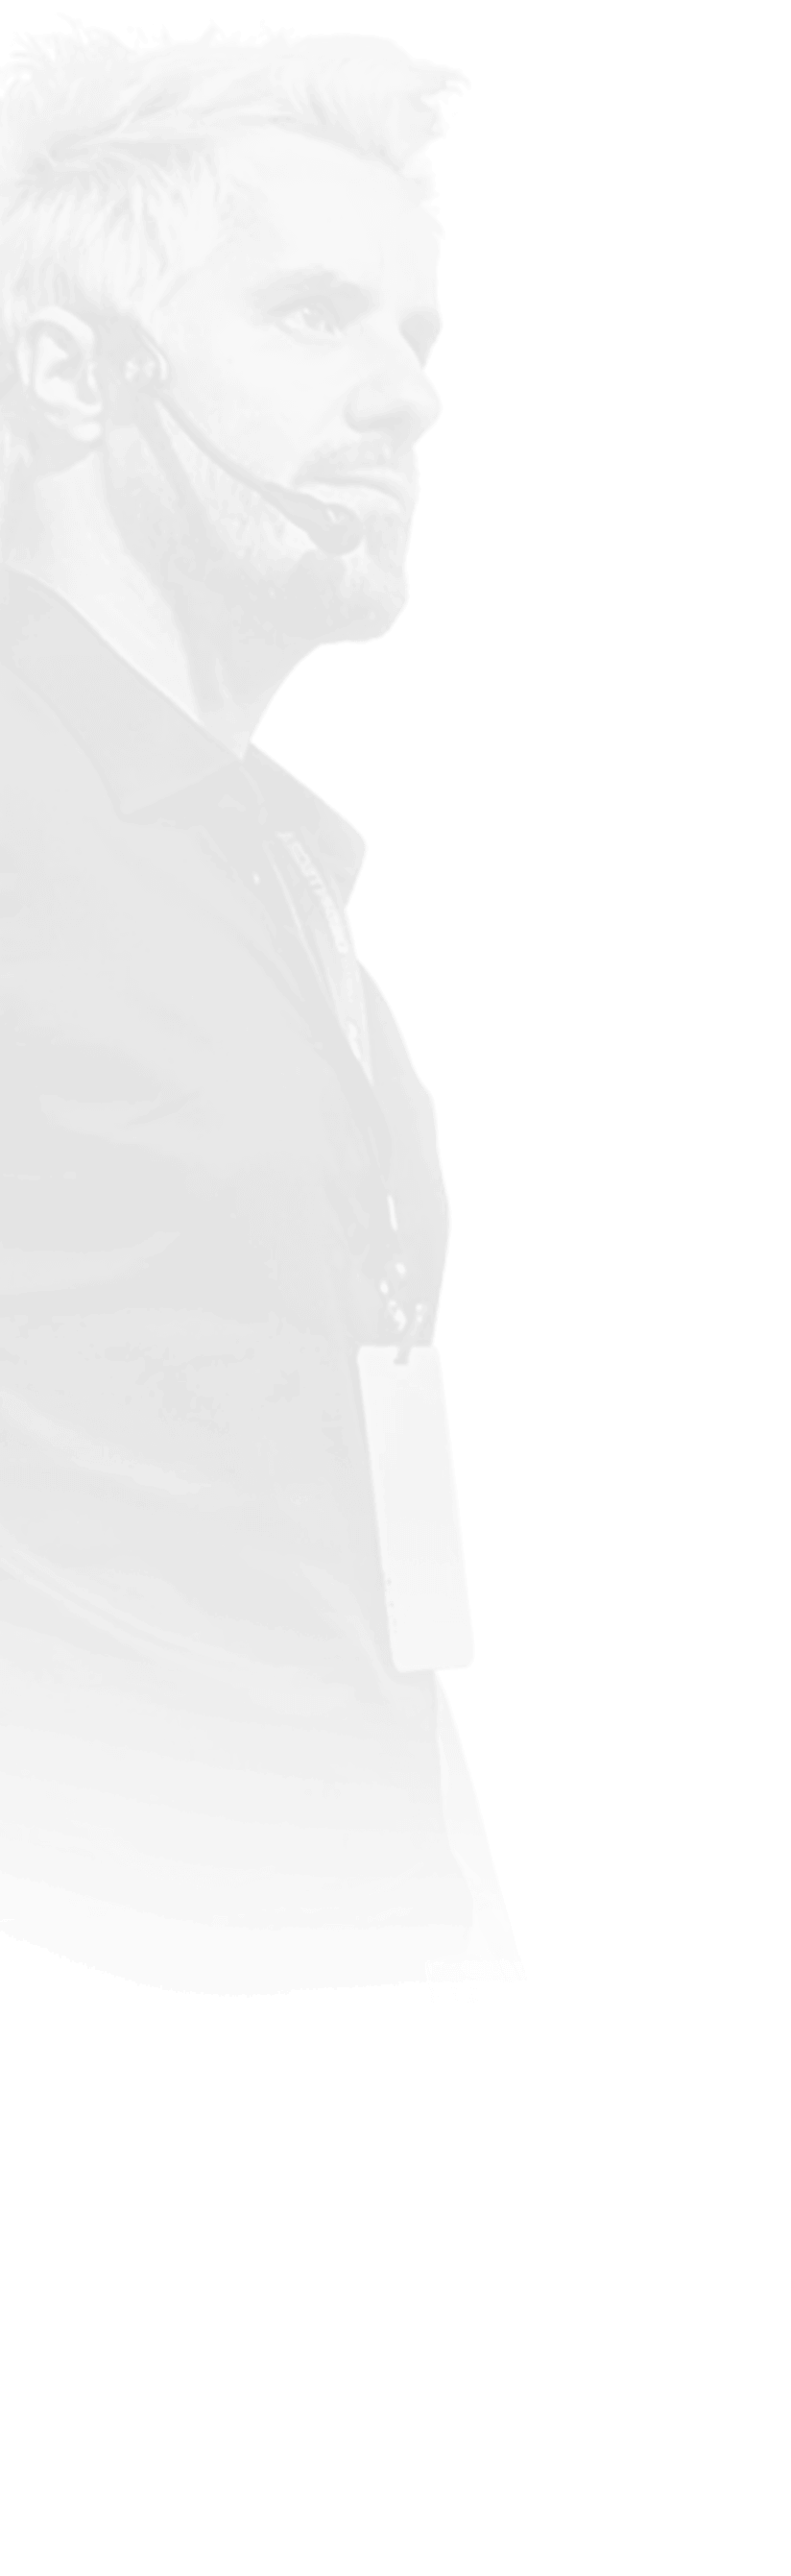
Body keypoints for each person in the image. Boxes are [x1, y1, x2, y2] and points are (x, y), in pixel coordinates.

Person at [0, 27, 518, 1991]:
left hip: (377, 1924)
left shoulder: (291, 869)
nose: (409, 391)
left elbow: (357, 1456)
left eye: (418, 330)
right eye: (315, 312)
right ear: (76, 372)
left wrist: (464, 1892)